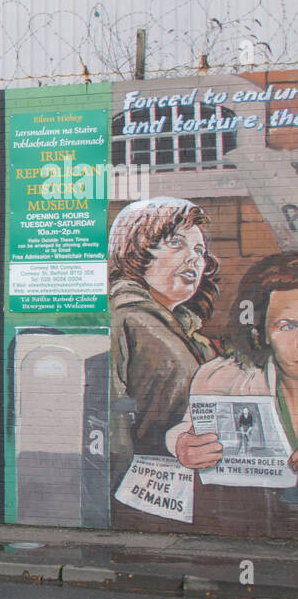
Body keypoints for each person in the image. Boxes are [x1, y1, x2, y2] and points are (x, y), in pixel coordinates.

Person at [108, 197, 220, 488]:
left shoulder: (193, 336)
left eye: (200, 250)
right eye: (175, 243)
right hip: (139, 491)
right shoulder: (123, 318)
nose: (194, 258)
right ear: (137, 249)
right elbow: (111, 422)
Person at [167, 252, 298, 493]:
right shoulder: (223, 377)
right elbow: (189, 429)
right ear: (262, 334)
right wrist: (181, 444)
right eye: (288, 326)